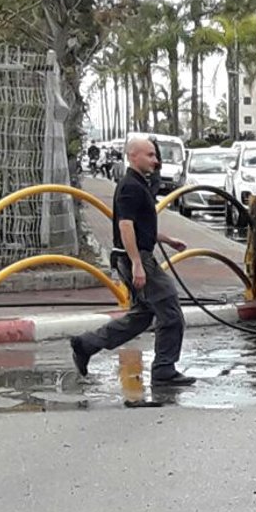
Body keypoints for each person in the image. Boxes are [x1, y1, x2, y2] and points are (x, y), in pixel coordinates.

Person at [70, 137, 194, 387]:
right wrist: (137, 263)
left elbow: (140, 228)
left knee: (141, 316)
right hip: (135, 258)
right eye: (150, 155)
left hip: (133, 255)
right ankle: (164, 369)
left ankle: (86, 344)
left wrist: (168, 240)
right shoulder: (130, 187)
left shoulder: (138, 185)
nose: (155, 160)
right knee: (170, 311)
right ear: (133, 156)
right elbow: (125, 226)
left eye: (155, 155)